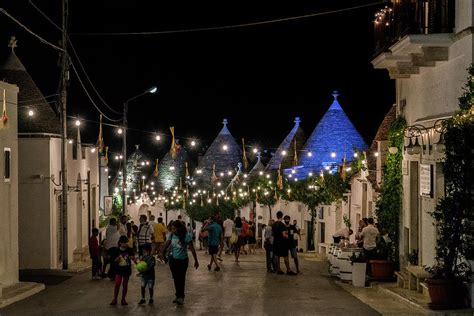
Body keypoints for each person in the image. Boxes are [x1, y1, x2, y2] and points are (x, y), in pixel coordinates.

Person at [160, 220, 199, 306]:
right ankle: (178, 295)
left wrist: (196, 260)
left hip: (183, 261)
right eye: (172, 228)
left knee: (181, 278)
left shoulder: (186, 236)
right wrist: (162, 252)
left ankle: (181, 297)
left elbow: (192, 249)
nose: (172, 230)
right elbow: (167, 244)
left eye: (174, 228)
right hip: (173, 260)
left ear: (179, 228)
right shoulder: (172, 235)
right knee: (175, 278)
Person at [110, 235, 135, 306]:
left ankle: (123, 299)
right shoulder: (116, 250)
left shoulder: (130, 249)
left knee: (125, 285)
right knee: (117, 283)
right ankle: (115, 299)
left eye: (126, 242)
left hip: (126, 270)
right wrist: (117, 259)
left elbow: (134, 258)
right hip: (118, 270)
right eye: (124, 243)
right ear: (120, 243)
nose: (125, 244)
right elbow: (113, 260)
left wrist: (133, 258)